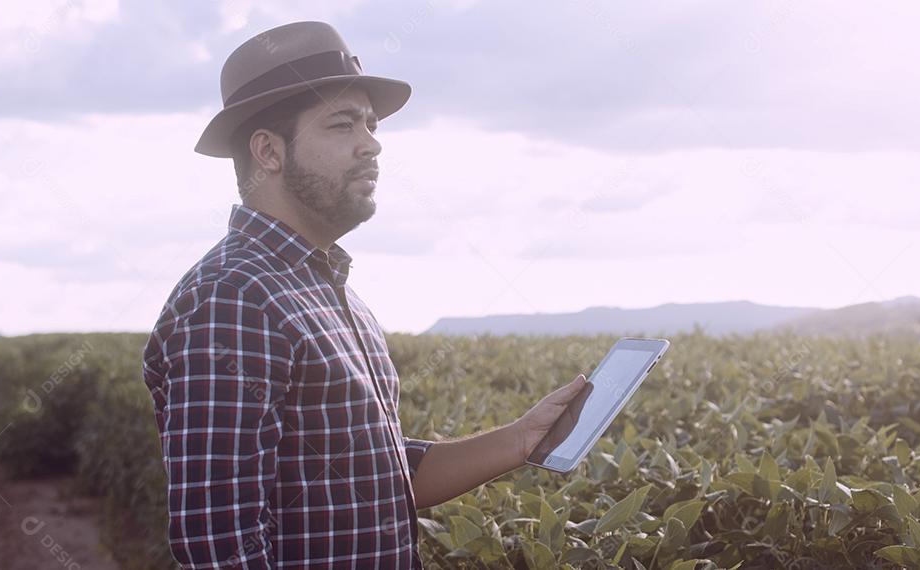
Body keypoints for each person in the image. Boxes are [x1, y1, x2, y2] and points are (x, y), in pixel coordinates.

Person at [141, 20, 587, 569]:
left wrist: (522, 439)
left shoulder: (324, 290)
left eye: (371, 125)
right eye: (341, 125)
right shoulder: (235, 297)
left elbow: (379, 481)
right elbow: (219, 548)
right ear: (268, 152)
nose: (371, 144)